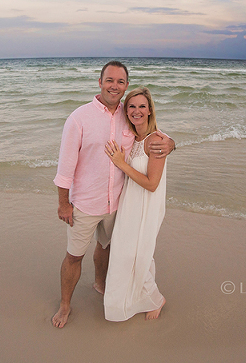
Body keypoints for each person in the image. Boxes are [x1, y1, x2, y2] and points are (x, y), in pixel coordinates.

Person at [52, 61, 174, 328]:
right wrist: (64, 204)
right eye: (109, 80)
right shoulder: (79, 118)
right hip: (85, 203)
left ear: (126, 85)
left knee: (107, 247)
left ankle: (100, 283)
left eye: (120, 81)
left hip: (119, 202)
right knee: (74, 256)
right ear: (99, 82)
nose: (114, 86)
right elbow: (65, 168)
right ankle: (65, 305)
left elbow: (150, 138)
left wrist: (171, 143)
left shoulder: (128, 114)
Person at [103, 87, 167, 321]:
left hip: (146, 205)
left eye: (142, 106)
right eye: (131, 106)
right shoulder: (134, 138)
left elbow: (152, 184)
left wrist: (121, 163)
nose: (136, 111)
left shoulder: (157, 140)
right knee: (127, 252)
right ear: (125, 110)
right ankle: (138, 297)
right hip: (130, 202)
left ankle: (155, 298)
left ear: (150, 110)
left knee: (138, 253)